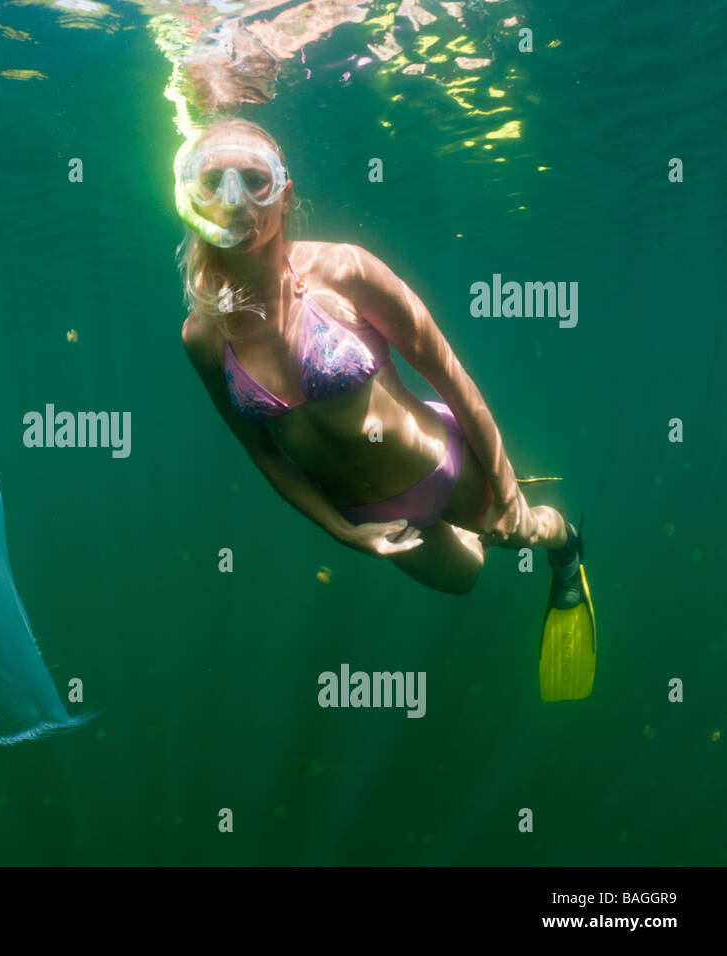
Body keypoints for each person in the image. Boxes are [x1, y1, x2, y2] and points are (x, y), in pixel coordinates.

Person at [176, 118, 595, 699]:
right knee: (466, 579)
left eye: (254, 180)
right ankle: (498, 508)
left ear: (285, 193)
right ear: (190, 196)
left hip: (438, 464)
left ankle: (566, 543)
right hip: (374, 516)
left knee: (520, 533)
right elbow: (263, 453)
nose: (235, 199)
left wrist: (504, 492)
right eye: (214, 181)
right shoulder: (201, 336)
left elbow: (449, 375)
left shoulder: (345, 269)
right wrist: (346, 534)